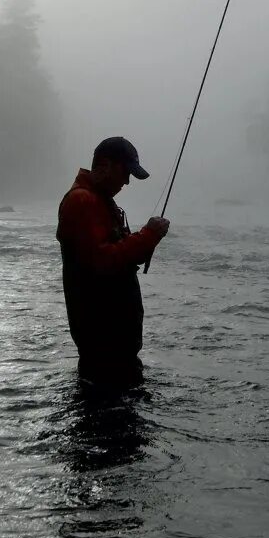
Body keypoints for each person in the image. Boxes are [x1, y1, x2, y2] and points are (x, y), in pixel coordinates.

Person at [56, 136, 169, 380]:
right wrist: (148, 235)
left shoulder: (99, 202)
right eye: (125, 173)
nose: (127, 182)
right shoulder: (82, 201)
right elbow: (102, 261)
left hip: (113, 347)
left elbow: (114, 255)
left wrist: (145, 241)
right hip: (103, 347)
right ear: (105, 166)